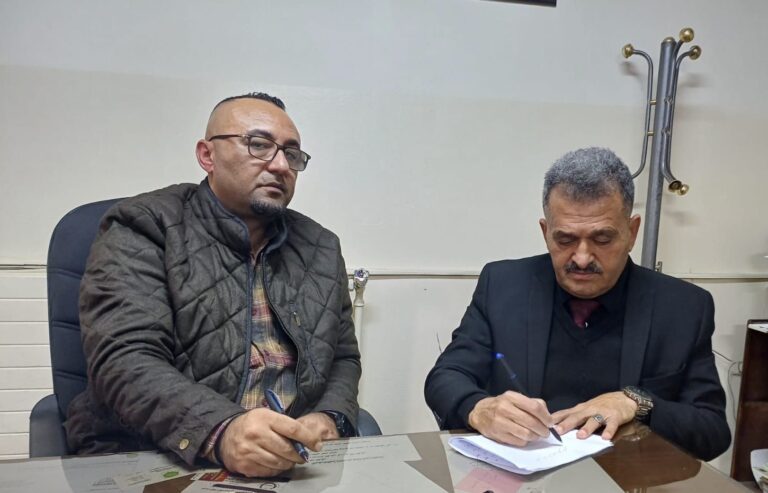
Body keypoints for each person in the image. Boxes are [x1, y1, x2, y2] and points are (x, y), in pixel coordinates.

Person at [66, 92, 361, 477]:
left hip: (289, 460)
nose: (280, 165)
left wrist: (330, 416)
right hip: (160, 452)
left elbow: (343, 358)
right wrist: (221, 430)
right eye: (259, 145)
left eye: (291, 154)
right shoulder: (145, 225)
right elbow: (124, 358)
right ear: (207, 155)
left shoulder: (321, 246)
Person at [424, 147, 730, 461]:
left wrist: (637, 403)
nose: (582, 258)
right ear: (545, 232)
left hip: (628, 477)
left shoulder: (683, 308)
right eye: (565, 239)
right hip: (524, 475)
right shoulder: (503, 286)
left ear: (632, 232)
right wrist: (478, 408)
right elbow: (446, 376)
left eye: (602, 239)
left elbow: (712, 433)